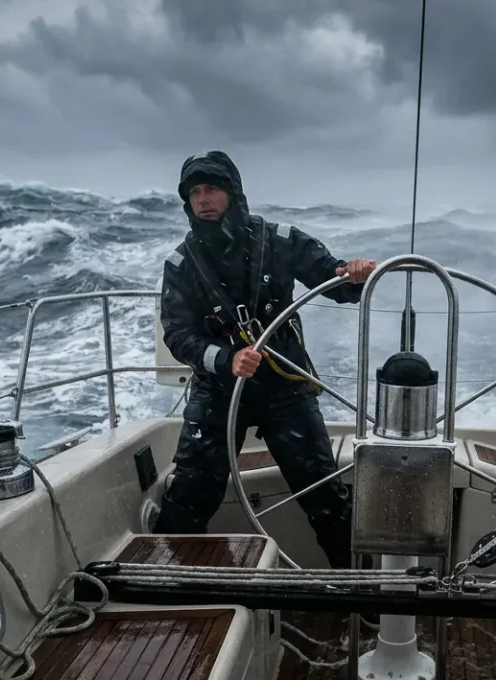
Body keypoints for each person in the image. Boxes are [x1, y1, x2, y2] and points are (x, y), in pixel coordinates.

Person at [155, 150, 377, 570]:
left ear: (233, 193)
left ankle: (358, 592)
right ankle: (164, 582)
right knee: (190, 495)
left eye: (212, 189)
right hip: (219, 389)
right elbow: (179, 336)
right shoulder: (181, 265)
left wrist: (356, 274)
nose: (203, 199)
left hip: (283, 385)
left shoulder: (281, 240)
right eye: (195, 192)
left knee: (325, 496)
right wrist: (226, 359)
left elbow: (332, 278)